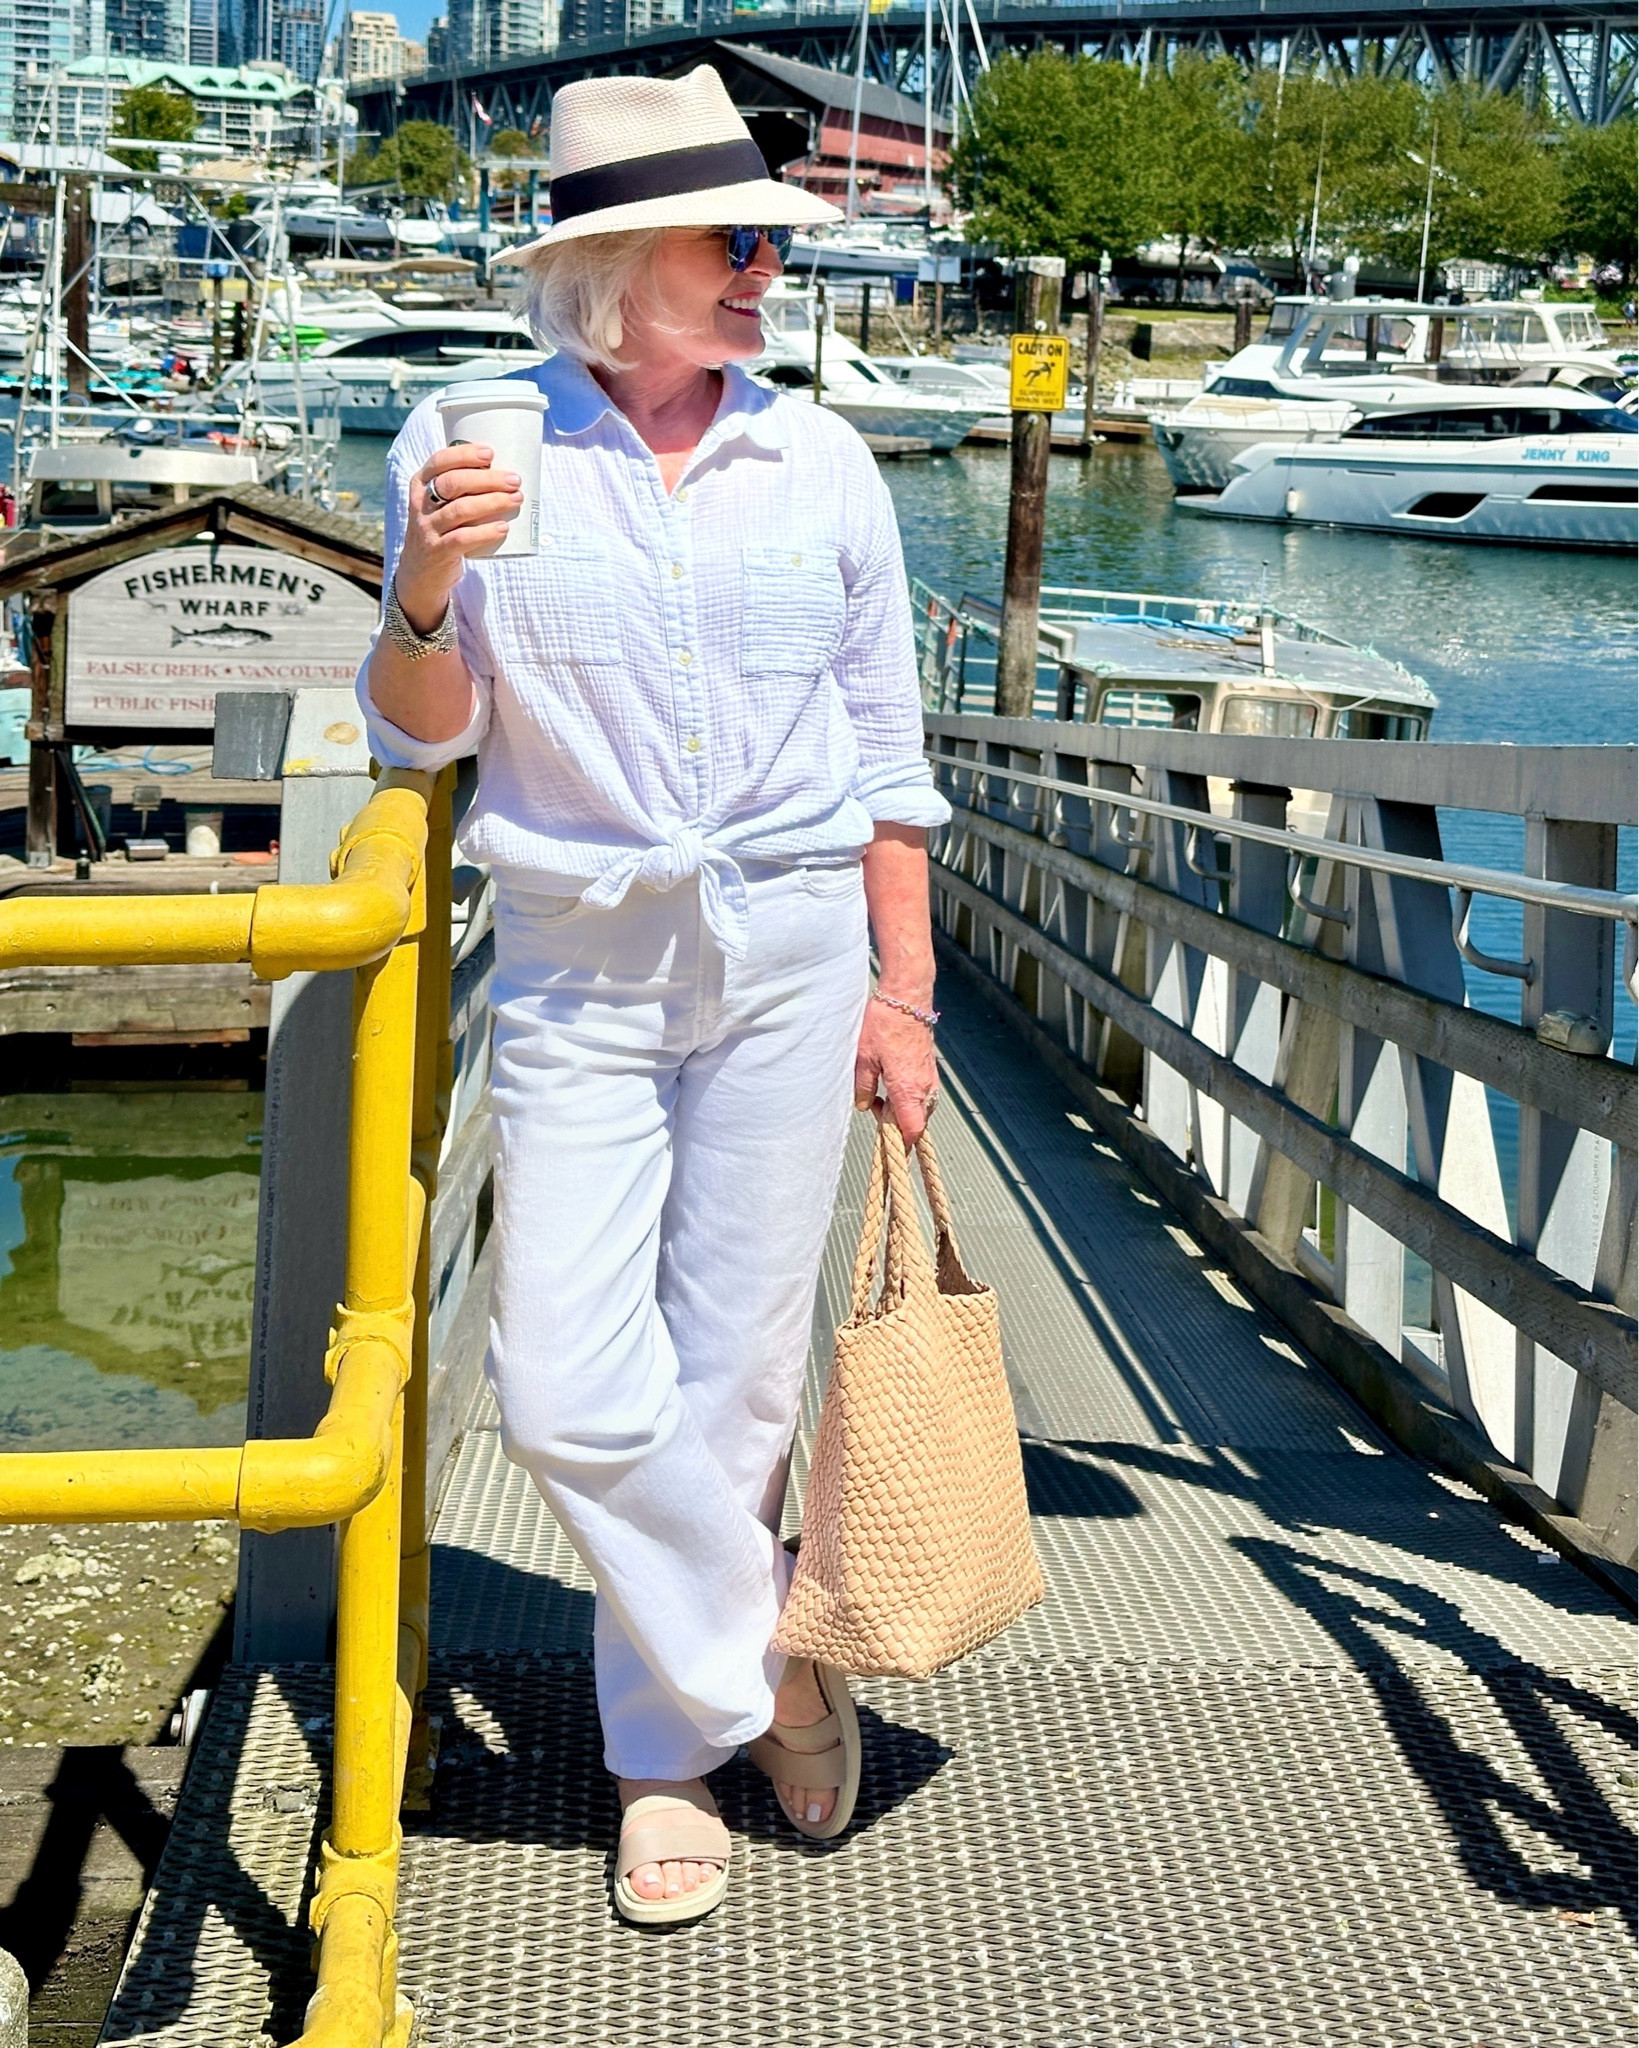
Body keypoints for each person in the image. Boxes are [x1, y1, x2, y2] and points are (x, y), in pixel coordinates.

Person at [356, 67, 949, 1926]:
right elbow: (413, 726)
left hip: (790, 952)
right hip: (581, 952)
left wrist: (905, 994)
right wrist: (434, 578)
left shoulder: (822, 456)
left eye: (776, 240)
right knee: (566, 1385)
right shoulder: (469, 438)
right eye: (738, 239)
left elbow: (886, 750)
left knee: (743, 1374)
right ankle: (770, 1646)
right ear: (618, 262)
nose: (771, 267)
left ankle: (654, 1762)